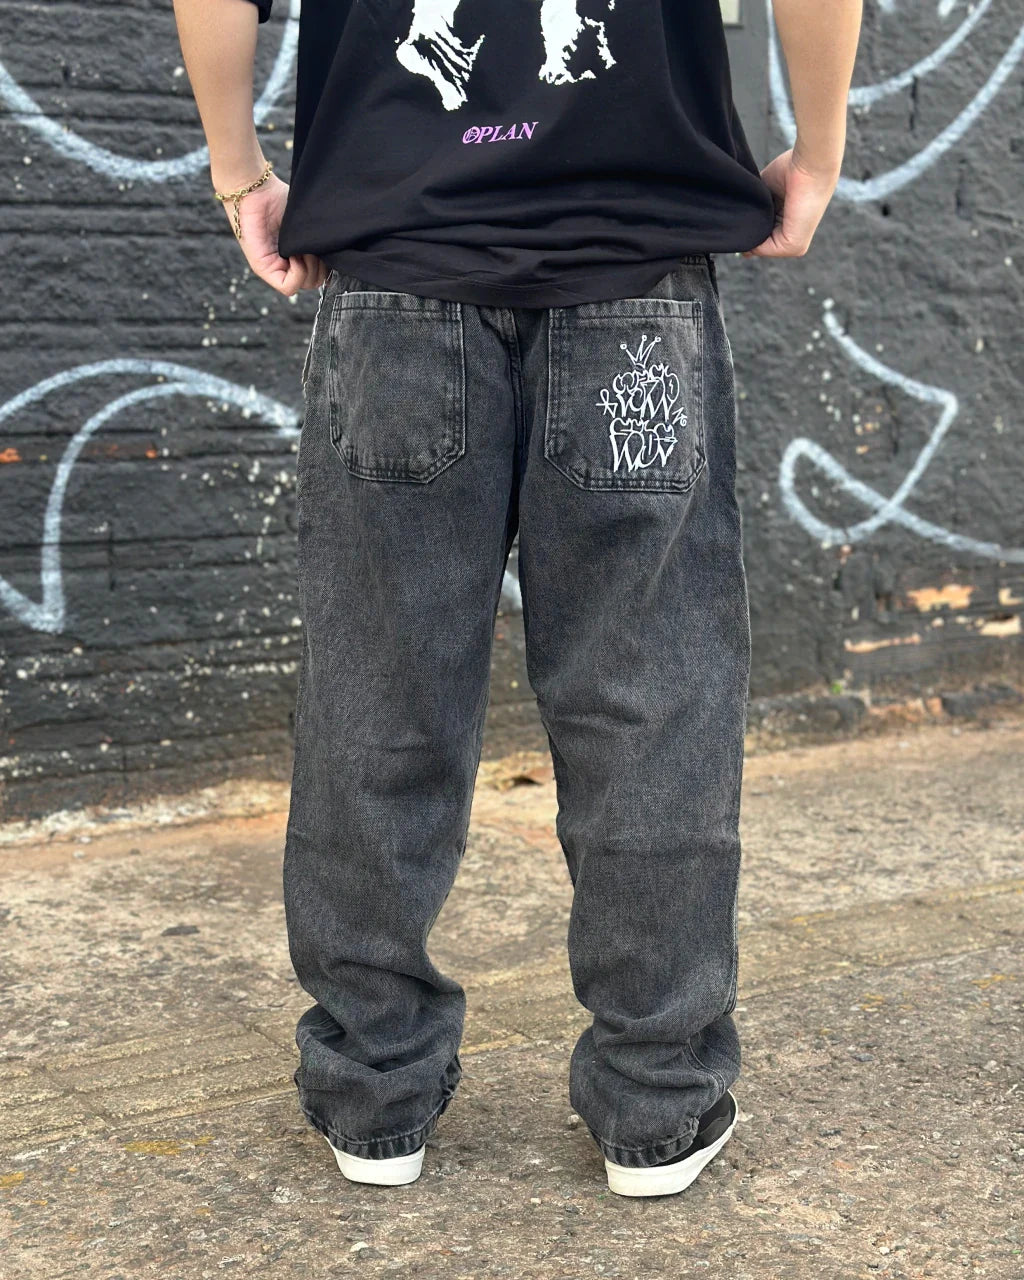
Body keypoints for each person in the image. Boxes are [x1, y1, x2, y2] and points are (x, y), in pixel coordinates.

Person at [172, 0, 862, 1198]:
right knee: (650, 703)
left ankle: (373, 1091)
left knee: (378, 696)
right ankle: (655, 1094)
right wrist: (821, 144)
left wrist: (239, 171)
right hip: (632, 268)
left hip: (396, 269)